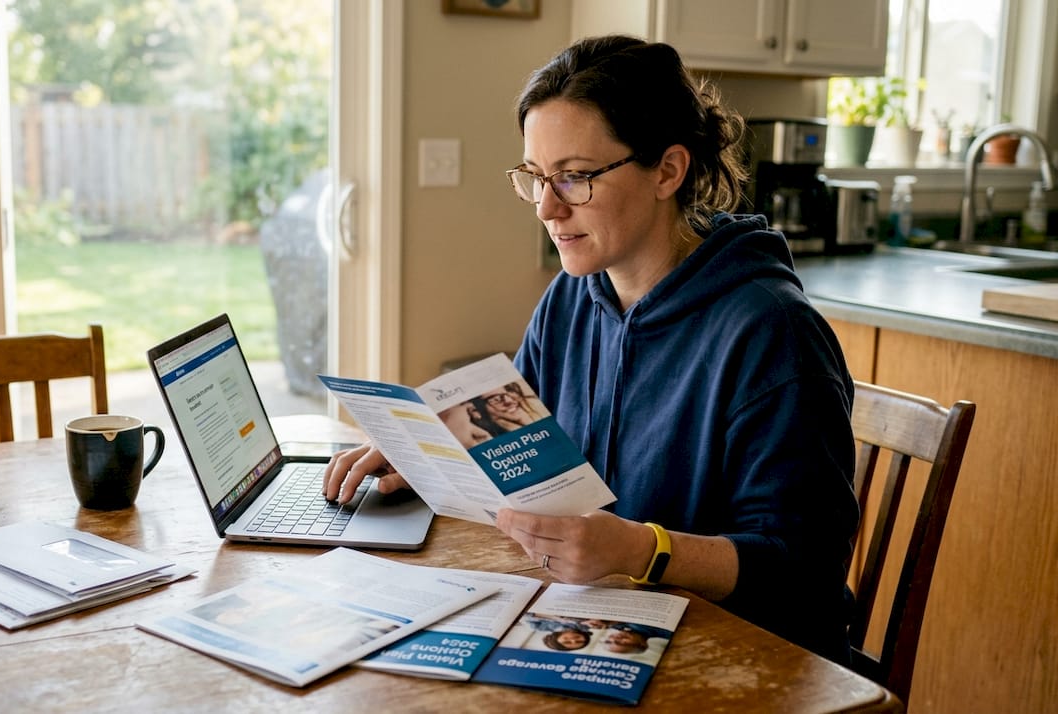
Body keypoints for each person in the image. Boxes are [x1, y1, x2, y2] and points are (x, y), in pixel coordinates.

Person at [323, 35, 859, 664]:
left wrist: (641, 550)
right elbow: (518, 449)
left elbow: (804, 570)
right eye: (535, 178)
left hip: (748, 662)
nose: (548, 209)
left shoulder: (772, 334)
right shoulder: (572, 298)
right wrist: (426, 453)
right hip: (603, 623)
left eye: (575, 178)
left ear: (667, 170)